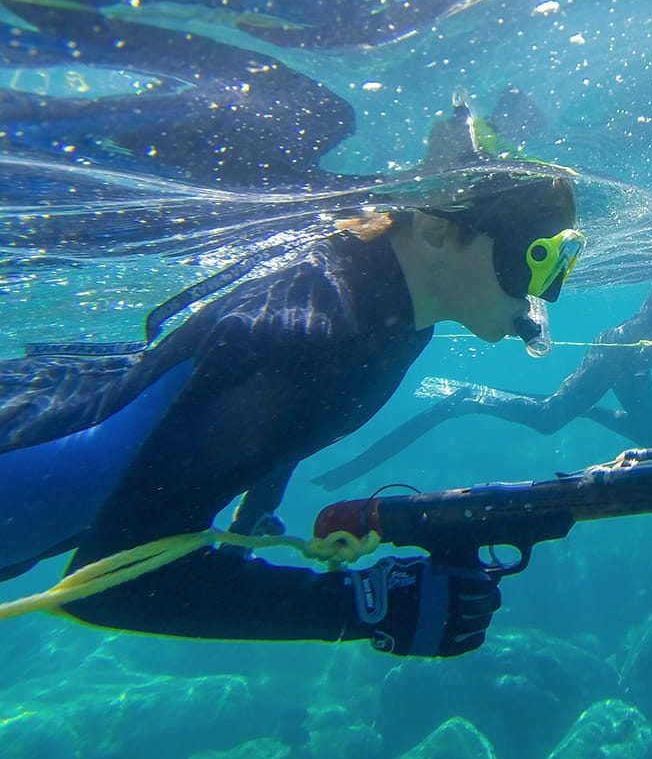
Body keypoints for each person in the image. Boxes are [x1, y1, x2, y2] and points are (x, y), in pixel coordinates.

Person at [0, 98, 584, 658]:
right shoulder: (309, 339)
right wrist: (364, 607)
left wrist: (253, 510)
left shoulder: (392, 311)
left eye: (561, 262)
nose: (546, 294)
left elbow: (275, 423)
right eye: (533, 259)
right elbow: (108, 584)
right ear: (435, 233)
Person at [316, 258, 652, 491]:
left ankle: (585, 409)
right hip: (614, 354)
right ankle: (469, 396)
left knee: (648, 435)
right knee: (549, 418)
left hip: (635, 365)